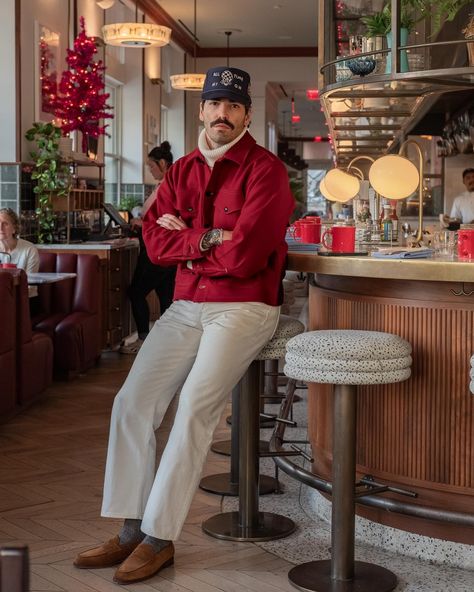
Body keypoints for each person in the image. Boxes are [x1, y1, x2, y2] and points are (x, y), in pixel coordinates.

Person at [73, 66, 295, 585]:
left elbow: (245, 256)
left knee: (195, 407)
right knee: (131, 402)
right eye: (215, 104)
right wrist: (210, 239)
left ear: (246, 115)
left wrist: (191, 244)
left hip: (244, 306)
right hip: (186, 304)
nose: (223, 113)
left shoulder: (267, 172)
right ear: (202, 110)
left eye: (234, 106)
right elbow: (154, 243)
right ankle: (130, 528)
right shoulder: (182, 170)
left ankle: (159, 538)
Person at [119, 142, 176, 355]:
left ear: (162, 163)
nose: (150, 170)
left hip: (158, 251)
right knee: (165, 297)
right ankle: (166, 343)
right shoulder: (163, 184)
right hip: (162, 251)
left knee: (136, 292)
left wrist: (142, 224)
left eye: (151, 166)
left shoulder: (169, 186)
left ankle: (144, 339)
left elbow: (166, 218)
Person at [0, 208, 40, 315]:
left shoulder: (29, 249)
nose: (0, 227)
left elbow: (31, 285)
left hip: (25, 301)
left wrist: (9, 299)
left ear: (14, 228)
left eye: (5, 224)